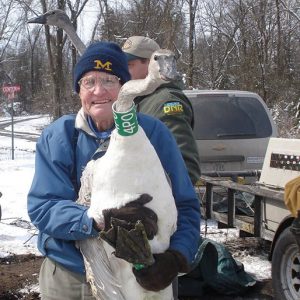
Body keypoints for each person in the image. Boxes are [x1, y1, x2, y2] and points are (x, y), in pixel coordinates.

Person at [27, 41, 200, 299]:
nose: (99, 91)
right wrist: (100, 220)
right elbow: (44, 206)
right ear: (78, 90)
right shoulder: (59, 136)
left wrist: (176, 258)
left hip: (141, 278)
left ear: (124, 87)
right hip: (72, 276)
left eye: (109, 80)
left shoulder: (152, 133)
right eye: (89, 82)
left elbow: (185, 204)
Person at [122, 36, 201, 185]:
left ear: (150, 64)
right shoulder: (140, 99)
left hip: (158, 204)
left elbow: (185, 167)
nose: (123, 71)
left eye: (130, 65)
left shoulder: (166, 102)